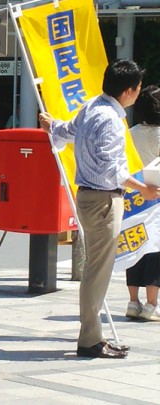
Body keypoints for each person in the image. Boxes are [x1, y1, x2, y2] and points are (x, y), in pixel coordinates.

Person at [39, 59, 160, 359]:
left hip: (91, 197)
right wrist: (142, 187)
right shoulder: (110, 120)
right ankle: (90, 340)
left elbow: (65, 132)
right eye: (138, 89)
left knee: (98, 269)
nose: (138, 94)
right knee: (98, 271)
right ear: (129, 91)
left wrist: (51, 125)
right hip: (103, 199)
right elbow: (112, 169)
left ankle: (94, 336)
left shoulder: (93, 106)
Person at [125, 84, 160, 321]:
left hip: (135, 195)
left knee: (135, 245)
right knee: (155, 249)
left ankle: (132, 302)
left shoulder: (131, 132)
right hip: (157, 195)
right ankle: (151, 305)